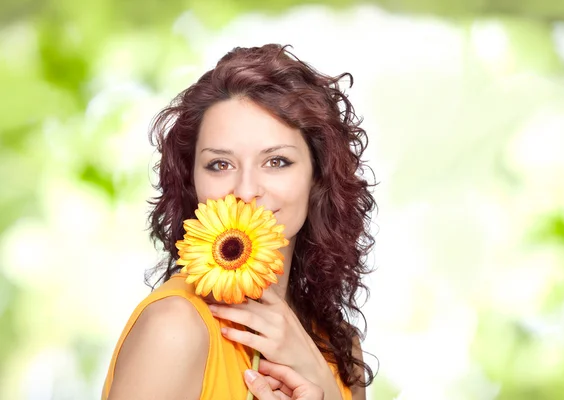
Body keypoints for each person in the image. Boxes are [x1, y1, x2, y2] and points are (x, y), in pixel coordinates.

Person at [102, 43, 376, 400]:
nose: (246, 192)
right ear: (192, 181)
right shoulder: (174, 328)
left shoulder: (341, 348)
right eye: (220, 164)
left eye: (276, 161)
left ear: (318, 176)